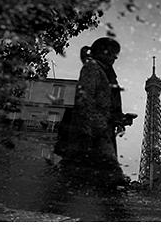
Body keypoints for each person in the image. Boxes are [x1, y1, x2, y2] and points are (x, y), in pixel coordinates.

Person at [54, 37, 136, 187]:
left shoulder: (103, 71)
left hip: (97, 128)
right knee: (110, 173)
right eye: (112, 53)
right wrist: (94, 127)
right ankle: (114, 206)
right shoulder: (93, 68)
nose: (115, 58)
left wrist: (121, 119)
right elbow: (84, 99)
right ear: (101, 52)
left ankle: (54, 199)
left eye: (115, 54)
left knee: (75, 170)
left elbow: (102, 103)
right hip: (93, 130)